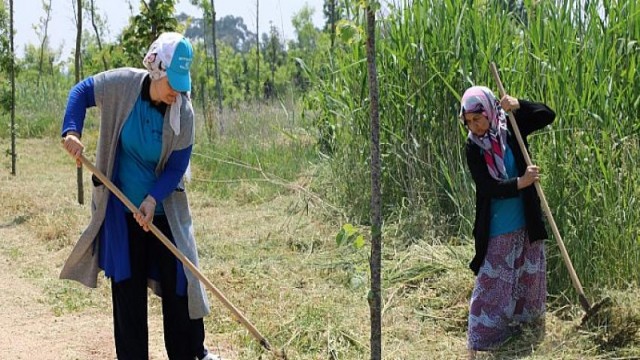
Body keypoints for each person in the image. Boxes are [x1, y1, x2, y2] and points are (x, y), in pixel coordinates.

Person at [60, 32, 220, 360]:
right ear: (155, 69)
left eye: (182, 82)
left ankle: (192, 354)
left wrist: (152, 199)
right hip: (121, 209)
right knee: (128, 291)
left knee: (182, 285)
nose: (177, 91)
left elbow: (177, 167)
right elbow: (81, 92)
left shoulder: (184, 112)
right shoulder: (123, 85)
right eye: (172, 82)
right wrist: (72, 131)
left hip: (165, 209)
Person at [460, 86, 555, 359]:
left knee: (527, 275)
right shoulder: (473, 147)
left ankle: (523, 328)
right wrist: (520, 182)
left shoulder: (510, 125)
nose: (474, 126)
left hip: (526, 219)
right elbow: (487, 187)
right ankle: (482, 339)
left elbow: (547, 115)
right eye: (468, 121)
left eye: (478, 119)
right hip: (498, 224)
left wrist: (519, 105)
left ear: (490, 111)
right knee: (493, 281)